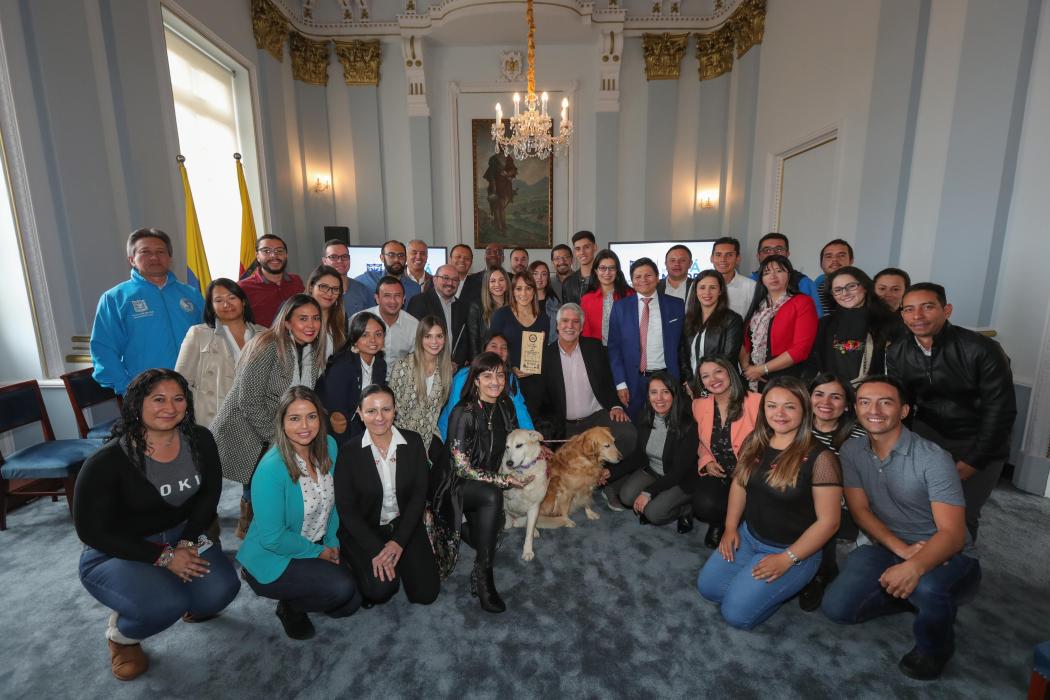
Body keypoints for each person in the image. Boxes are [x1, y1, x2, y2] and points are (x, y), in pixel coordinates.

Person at [73, 369, 240, 680]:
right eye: (158, 399)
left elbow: (209, 494)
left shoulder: (199, 438)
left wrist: (188, 541)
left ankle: (175, 592)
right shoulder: (106, 462)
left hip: (182, 537)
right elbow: (91, 532)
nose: (170, 407)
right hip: (119, 550)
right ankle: (122, 635)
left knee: (221, 591)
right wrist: (164, 557)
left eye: (178, 399)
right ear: (137, 404)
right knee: (166, 605)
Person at [822, 376, 979, 681]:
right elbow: (859, 510)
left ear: (904, 410)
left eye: (886, 402)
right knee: (837, 609)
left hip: (948, 553)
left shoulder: (934, 458)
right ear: (856, 408)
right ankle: (907, 595)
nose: (874, 410)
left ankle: (936, 647)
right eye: (865, 402)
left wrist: (916, 566)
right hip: (890, 545)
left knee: (927, 587)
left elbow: (953, 534)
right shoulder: (852, 450)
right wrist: (902, 551)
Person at [697, 376, 843, 630]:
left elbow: (829, 523)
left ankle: (788, 583)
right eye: (772, 406)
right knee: (709, 589)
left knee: (736, 615)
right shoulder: (755, 440)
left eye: (789, 406)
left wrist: (787, 559)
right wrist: (730, 527)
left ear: (804, 409)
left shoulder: (822, 459)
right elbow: (739, 485)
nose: (779, 413)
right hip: (748, 535)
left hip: (792, 550)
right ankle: (754, 584)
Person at [885, 283, 1016, 541]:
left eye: (927, 307)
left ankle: (961, 570)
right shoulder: (897, 351)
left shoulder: (982, 349)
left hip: (980, 440)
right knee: (920, 508)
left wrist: (974, 460)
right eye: (909, 309)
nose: (917, 316)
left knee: (961, 515)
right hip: (929, 436)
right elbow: (904, 406)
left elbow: (1000, 411)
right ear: (902, 315)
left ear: (947, 310)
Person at [237, 386, 361, 640]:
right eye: (294, 418)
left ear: (320, 418)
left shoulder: (329, 445)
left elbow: (333, 503)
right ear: (282, 423)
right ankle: (289, 607)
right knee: (341, 588)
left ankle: (308, 586)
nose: (305, 425)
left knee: (350, 604)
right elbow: (273, 537)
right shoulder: (271, 469)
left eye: (311, 416)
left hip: (314, 539)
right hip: (274, 554)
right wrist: (319, 552)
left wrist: (332, 542)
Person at [212, 294, 324, 537]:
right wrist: (279, 441)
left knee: (269, 494)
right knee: (259, 496)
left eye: (315, 318)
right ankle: (253, 548)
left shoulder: (310, 351)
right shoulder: (268, 344)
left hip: (276, 430)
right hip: (246, 430)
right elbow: (249, 401)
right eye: (302, 318)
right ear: (287, 322)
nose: (311, 325)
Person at [334, 385, 441, 606]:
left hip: (403, 525)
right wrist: (376, 549)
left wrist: (398, 543)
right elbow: (347, 510)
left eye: (386, 409)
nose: (379, 417)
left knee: (426, 594)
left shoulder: (413, 442)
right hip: (366, 527)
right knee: (380, 589)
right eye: (371, 411)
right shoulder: (348, 451)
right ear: (360, 414)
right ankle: (358, 564)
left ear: (395, 411)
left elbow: (419, 496)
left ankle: (399, 560)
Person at [446, 353, 533, 612]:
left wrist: (531, 464)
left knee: (491, 534)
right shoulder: (464, 413)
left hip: (486, 480)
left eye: (499, 374)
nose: (495, 381)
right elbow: (460, 468)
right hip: (454, 483)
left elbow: (515, 443)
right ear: (475, 380)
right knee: (493, 496)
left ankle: (469, 532)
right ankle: (484, 576)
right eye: (487, 375)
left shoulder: (505, 404)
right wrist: (502, 480)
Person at [91, 228, 205, 395]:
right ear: (132, 259)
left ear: (169, 258)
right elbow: (103, 351)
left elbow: (210, 338)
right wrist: (129, 389)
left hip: (196, 388)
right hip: (148, 393)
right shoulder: (115, 298)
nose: (154, 257)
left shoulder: (191, 294)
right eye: (145, 252)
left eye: (160, 252)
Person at [533, 303, 637, 477]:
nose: (570, 326)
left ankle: (607, 475)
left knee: (628, 434)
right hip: (565, 424)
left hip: (597, 418)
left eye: (575, 322)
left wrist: (616, 405)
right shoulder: (544, 356)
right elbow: (539, 400)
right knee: (559, 468)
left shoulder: (595, 348)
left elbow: (609, 381)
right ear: (557, 326)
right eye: (565, 321)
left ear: (581, 328)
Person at [797, 373, 867, 611]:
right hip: (798, 494)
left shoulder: (859, 436)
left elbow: (861, 487)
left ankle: (821, 572)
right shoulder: (798, 425)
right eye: (819, 394)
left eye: (835, 397)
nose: (826, 402)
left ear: (847, 404)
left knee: (817, 513)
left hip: (843, 507)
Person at [691, 357, 762, 549]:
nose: (713, 379)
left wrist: (751, 467)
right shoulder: (698, 405)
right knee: (703, 505)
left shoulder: (757, 402)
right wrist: (706, 461)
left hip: (750, 475)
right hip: (721, 472)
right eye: (705, 376)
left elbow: (770, 443)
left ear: (729, 372)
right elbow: (700, 441)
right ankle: (720, 521)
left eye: (718, 372)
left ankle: (739, 523)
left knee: (758, 517)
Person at [175, 278, 264, 428]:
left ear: (243, 301)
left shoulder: (264, 335)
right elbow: (180, 382)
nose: (226, 304)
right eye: (218, 300)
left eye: (232, 297)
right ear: (211, 306)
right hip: (212, 423)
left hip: (255, 424)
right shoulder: (198, 334)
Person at [616, 372, 700, 532]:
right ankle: (657, 496)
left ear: (674, 395)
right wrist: (610, 472)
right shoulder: (644, 417)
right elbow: (639, 456)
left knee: (654, 514)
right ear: (648, 396)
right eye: (654, 392)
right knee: (626, 497)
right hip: (654, 470)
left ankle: (685, 509)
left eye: (665, 392)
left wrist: (648, 492)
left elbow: (677, 473)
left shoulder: (688, 426)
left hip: (680, 479)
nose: (659, 398)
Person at [608, 257, 686, 419]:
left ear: (658, 278)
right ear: (632, 281)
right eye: (637, 277)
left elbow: (683, 345)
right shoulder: (620, 307)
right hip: (632, 380)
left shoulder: (677, 305)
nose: (643, 280)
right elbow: (614, 348)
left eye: (648, 275)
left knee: (667, 428)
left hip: (667, 379)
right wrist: (620, 383)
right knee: (635, 429)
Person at [740, 255, 818, 391]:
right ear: (761, 279)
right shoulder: (759, 305)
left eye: (779, 271)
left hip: (786, 378)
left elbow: (801, 349)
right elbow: (745, 341)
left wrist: (762, 369)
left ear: (789, 275)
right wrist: (749, 369)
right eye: (767, 272)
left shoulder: (802, 302)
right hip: (754, 377)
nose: (773, 276)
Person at [437, 332, 535, 439]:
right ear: (484, 350)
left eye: (504, 347)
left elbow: (520, 411)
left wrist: (532, 439)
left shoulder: (510, 379)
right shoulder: (465, 375)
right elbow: (455, 414)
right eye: (494, 346)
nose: (499, 351)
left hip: (491, 439)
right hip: (456, 437)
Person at [806, 266, 893, 386]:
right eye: (837, 289)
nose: (845, 293)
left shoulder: (888, 322)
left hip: (870, 394)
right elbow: (813, 363)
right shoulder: (824, 324)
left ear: (865, 287)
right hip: (833, 393)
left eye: (851, 286)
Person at [388, 316, 455, 464]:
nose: (434, 342)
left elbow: (436, 409)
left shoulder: (446, 369)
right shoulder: (403, 366)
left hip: (430, 433)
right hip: (402, 433)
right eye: (428, 336)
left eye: (439, 336)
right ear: (420, 338)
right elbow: (390, 408)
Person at [316, 311, 387, 445]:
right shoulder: (342, 367)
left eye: (378, 334)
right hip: (334, 430)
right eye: (365, 335)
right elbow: (337, 418)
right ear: (354, 338)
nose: (373, 340)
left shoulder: (380, 364)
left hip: (361, 423)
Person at [489, 272, 549, 408]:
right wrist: (511, 367)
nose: (524, 293)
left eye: (528, 288)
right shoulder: (501, 315)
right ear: (513, 291)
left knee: (530, 424)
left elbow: (545, 352)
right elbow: (492, 349)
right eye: (519, 288)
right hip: (506, 379)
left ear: (534, 291)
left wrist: (534, 366)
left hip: (535, 382)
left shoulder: (543, 318)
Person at [678, 269, 744, 394]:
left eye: (712, 287)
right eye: (702, 287)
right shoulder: (688, 319)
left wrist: (703, 382)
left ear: (720, 291)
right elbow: (683, 353)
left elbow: (728, 358)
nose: (707, 292)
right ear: (696, 291)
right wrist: (690, 381)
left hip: (720, 385)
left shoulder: (732, 319)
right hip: (690, 387)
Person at [407, 264, 470, 365]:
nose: (450, 283)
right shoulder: (419, 301)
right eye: (445, 278)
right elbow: (414, 338)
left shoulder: (462, 306)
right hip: (425, 367)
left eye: (455, 280)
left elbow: (463, 340)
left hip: (453, 369)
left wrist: (455, 363)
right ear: (435, 280)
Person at [749, 233, 823, 317]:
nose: (773, 254)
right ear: (758, 256)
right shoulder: (748, 282)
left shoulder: (803, 282)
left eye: (779, 249)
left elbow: (816, 318)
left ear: (787, 254)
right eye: (767, 250)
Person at [239, 234, 305, 327]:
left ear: (286, 255)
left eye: (279, 251)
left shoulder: (296, 281)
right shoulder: (243, 287)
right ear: (257, 256)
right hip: (264, 340)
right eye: (266, 251)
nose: (274, 255)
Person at [353, 276, 419, 363]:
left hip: (401, 375)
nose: (393, 301)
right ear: (377, 298)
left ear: (403, 299)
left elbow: (416, 360)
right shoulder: (357, 320)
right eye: (387, 296)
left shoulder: (414, 325)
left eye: (397, 296)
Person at [580, 249, 633, 345]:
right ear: (596, 271)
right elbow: (586, 333)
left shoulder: (629, 295)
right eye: (602, 268)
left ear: (617, 271)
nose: (607, 272)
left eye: (612, 268)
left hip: (624, 351)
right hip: (596, 352)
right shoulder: (587, 299)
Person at [354, 240, 422, 306]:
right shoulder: (367, 280)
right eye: (391, 255)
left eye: (401, 255)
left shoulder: (414, 288)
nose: (397, 259)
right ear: (382, 258)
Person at [306, 265, 348, 362]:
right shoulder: (293, 312)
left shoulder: (341, 318)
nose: (329, 293)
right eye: (324, 287)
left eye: (335, 289)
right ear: (311, 287)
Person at [322, 239, 373, 317]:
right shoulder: (319, 291)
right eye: (333, 257)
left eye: (344, 256)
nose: (340, 261)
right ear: (324, 261)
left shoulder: (361, 289)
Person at [466, 267, 509, 356]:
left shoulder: (514, 306)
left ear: (507, 282)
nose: (497, 284)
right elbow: (473, 342)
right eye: (492, 281)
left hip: (510, 362)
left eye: (501, 280)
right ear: (487, 284)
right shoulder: (476, 306)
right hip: (486, 362)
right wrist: (478, 365)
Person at [710, 236, 756, 318]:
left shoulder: (751, 286)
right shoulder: (699, 284)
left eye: (729, 255)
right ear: (712, 258)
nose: (723, 259)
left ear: (738, 259)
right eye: (718, 255)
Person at [814, 239, 855, 316]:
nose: (835, 260)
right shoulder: (811, 290)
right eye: (828, 256)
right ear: (821, 263)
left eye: (841, 255)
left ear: (851, 261)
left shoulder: (862, 290)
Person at [560, 230, 597, 305]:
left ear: (595, 247)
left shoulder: (605, 279)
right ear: (574, 252)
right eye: (578, 249)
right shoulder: (568, 283)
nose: (582, 252)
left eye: (586, 247)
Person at [529, 260, 561, 340]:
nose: (539, 277)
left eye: (543, 274)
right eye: (535, 274)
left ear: (548, 277)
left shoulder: (555, 302)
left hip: (551, 346)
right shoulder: (522, 302)